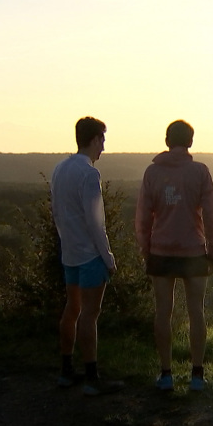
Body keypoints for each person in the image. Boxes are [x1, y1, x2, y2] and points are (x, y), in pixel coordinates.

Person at [135, 120, 213, 392]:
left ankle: (166, 374)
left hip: (161, 250)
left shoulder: (152, 173)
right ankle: (197, 376)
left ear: (166, 141)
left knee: (163, 312)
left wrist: (145, 250)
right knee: (197, 312)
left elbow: (142, 218)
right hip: (194, 250)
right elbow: (211, 214)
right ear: (191, 142)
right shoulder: (200, 172)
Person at [50, 116, 124, 396]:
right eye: (102, 140)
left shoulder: (60, 169)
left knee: (72, 309)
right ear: (94, 140)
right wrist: (108, 257)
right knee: (89, 315)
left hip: (69, 252)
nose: (103, 147)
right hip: (90, 255)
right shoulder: (89, 174)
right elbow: (96, 222)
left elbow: (57, 211)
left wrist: (65, 242)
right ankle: (92, 376)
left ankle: (66, 370)